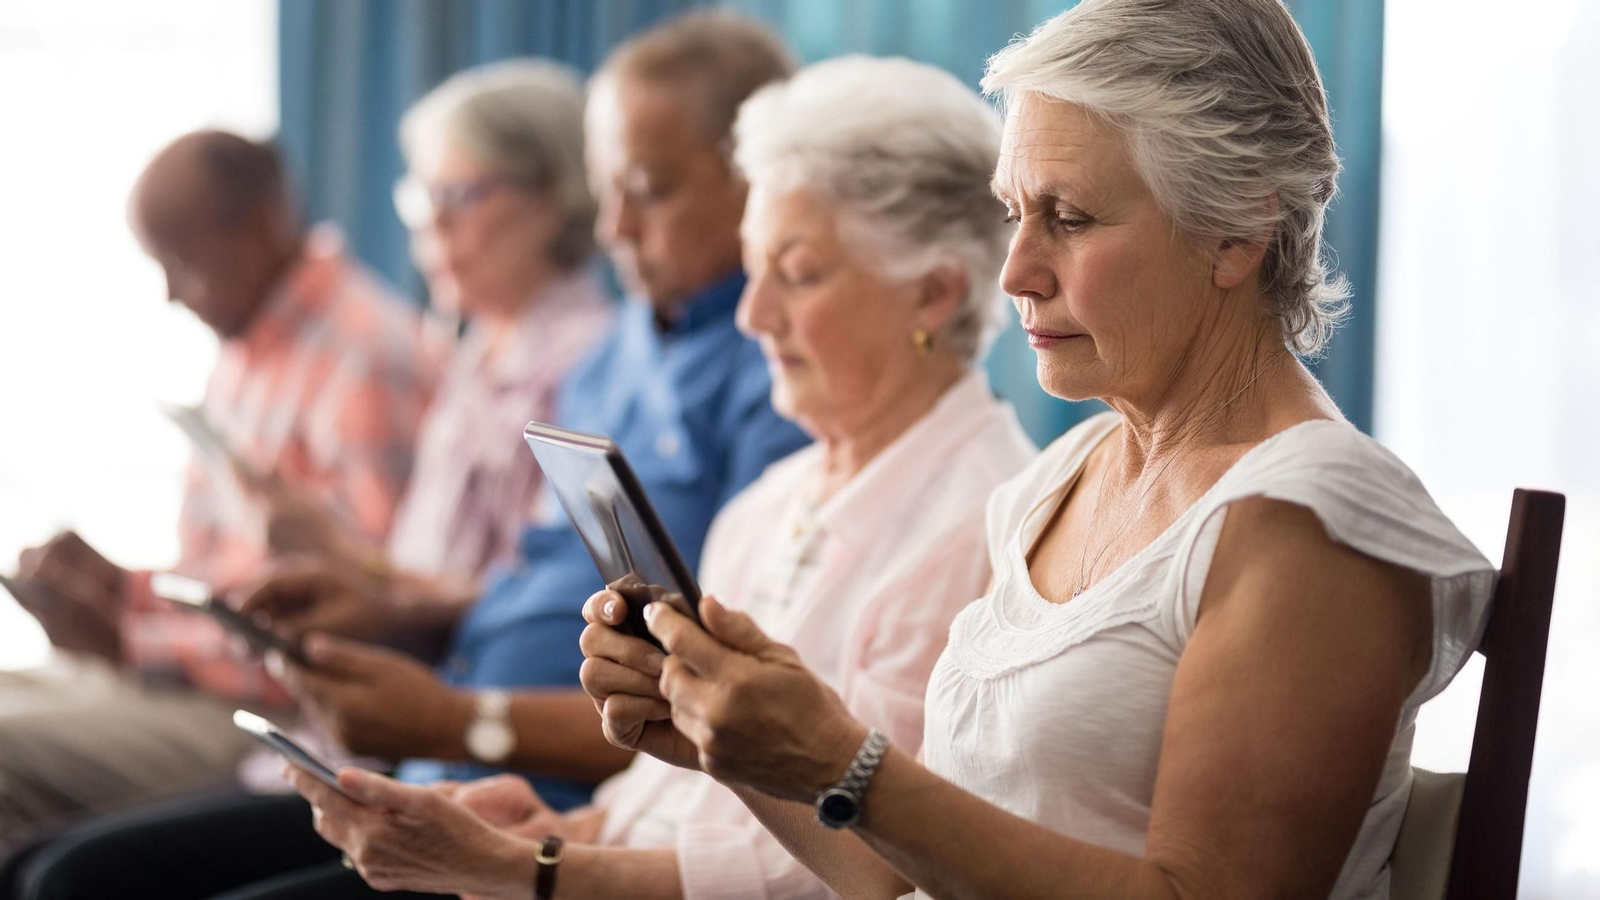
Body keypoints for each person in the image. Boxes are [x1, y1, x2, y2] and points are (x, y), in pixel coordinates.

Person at [576, 2, 1500, 899]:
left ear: (1239, 229)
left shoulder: (1311, 521)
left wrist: (840, 760)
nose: (1016, 270)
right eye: (1015, 211)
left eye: (1069, 217)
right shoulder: (1058, 480)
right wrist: (724, 733)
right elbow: (888, 875)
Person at [18, 13, 808, 900]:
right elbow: (526, 588)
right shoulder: (615, 353)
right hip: (454, 748)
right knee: (66, 871)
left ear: (758, 183)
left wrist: (459, 719)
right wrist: (392, 612)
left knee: (67, 870)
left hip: (534, 773)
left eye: (648, 189)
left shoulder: (774, 374)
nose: (615, 224)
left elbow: (736, 700)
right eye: (607, 188)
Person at [279, 55, 1037, 900]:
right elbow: (680, 795)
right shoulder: (768, 503)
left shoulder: (983, 525)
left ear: (934, 294)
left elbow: (867, 871)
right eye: (754, 271)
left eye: (798, 274)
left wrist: (525, 868)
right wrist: (552, 828)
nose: (753, 317)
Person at [0, 130, 436, 843]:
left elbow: (362, 624)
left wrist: (133, 641)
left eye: (182, 265)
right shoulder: (249, 351)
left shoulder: (363, 359)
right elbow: (226, 578)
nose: (172, 294)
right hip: (193, 676)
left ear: (259, 227)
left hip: (278, 717)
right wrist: (123, 589)